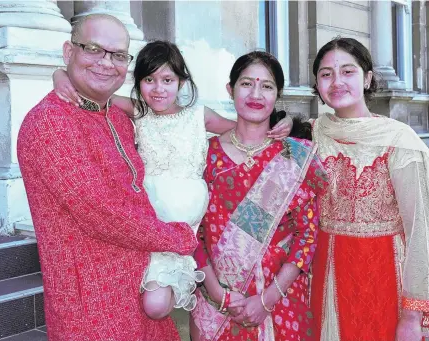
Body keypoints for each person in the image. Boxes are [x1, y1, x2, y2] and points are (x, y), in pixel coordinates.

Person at [53, 40, 294, 320]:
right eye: (149, 79)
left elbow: (246, 130)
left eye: (167, 79)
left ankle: (187, 286)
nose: (158, 88)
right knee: (153, 307)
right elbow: (90, 94)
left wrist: (284, 118)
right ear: (139, 83)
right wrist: (59, 75)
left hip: (187, 227)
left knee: (155, 306)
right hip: (149, 223)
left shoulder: (198, 116)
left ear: (181, 83)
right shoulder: (139, 112)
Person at [17, 14, 198, 341]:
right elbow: (101, 213)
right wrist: (180, 238)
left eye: (117, 55)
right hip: (91, 311)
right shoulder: (48, 123)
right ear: (68, 52)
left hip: (141, 297)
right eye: (93, 49)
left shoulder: (119, 116)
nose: (106, 63)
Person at [309, 37, 429, 341]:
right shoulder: (314, 133)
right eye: (326, 74)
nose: (336, 81)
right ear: (317, 83)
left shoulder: (399, 141)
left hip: (382, 280)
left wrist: (411, 316)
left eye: (348, 71)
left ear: (367, 78)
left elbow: (420, 232)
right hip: (323, 278)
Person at [190, 51, 322, 341]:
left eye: (267, 86)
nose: (256, 94)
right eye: (247, 83)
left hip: (281, 304)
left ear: (278, 95)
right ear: (230, 89)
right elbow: (192, 231)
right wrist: (216, 293)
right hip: (216, 305)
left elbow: (307, 236)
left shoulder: (295, 155)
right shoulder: (204, 155)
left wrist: (267, 299)